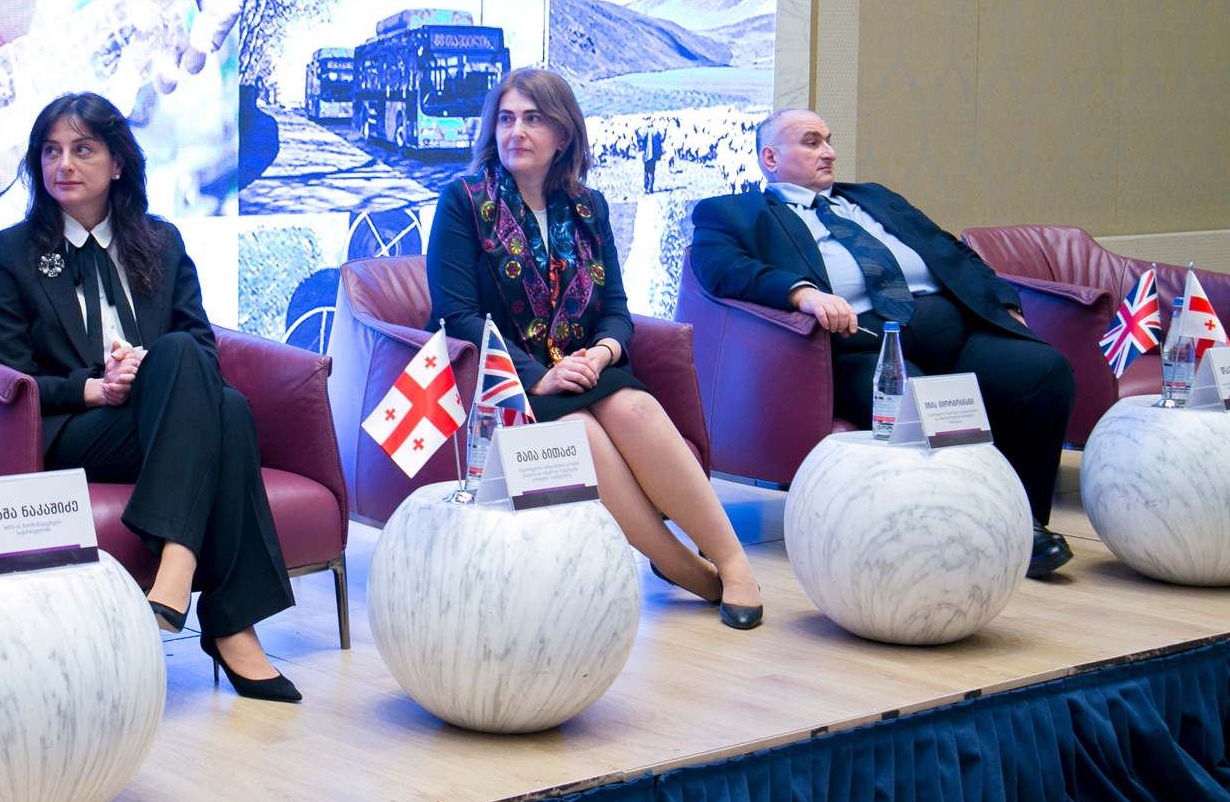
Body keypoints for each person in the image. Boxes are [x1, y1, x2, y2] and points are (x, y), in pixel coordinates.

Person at [0, 93, 302, 700]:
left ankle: (186, 574)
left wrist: (145, 367)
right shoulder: (14, 251)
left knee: (194, 370)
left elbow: (202, 351)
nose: (63, 165)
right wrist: (94, 388)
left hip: (162, 420)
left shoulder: (162, 241)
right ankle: (223, 616)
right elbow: (10, 380)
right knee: (224, 410)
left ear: (118, 163)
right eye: (50, 151)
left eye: (82, 149)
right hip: (77, 430)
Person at [427, 68, 765, 628]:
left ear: (562, 135)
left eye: (533, 119)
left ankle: (732, 562)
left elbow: (615, 307)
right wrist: (539, 375)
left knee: (636, 408)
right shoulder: (464, 201)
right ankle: (678, 564)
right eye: (506, 119)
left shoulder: (589, 206)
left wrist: (604, 352)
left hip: (585, 365)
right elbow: (455, 314)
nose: (516, 131)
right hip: (503, 379)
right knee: (579, 431)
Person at [688, 109, 1076, 577]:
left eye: (828, 140)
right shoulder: (733, 213)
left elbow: (949, 249)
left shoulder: (874, 198)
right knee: (920, 400)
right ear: (770, 158)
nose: (829, 153)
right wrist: (802, 293)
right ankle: (993, 533)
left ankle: (1022, 515)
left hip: (954, 330)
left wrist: (1003, 301)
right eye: (812, 142)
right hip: (863, 348)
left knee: (1043, 371)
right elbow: (721, 268)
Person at [640, 124, 665, 194]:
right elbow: (661, 140)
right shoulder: (656, 131)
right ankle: (650, 188)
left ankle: (645, 188)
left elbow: (641, 140)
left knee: (646, 171)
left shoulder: (645, 131)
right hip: (654, 155)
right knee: (652, 172)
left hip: (647, 154)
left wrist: (636, 134)